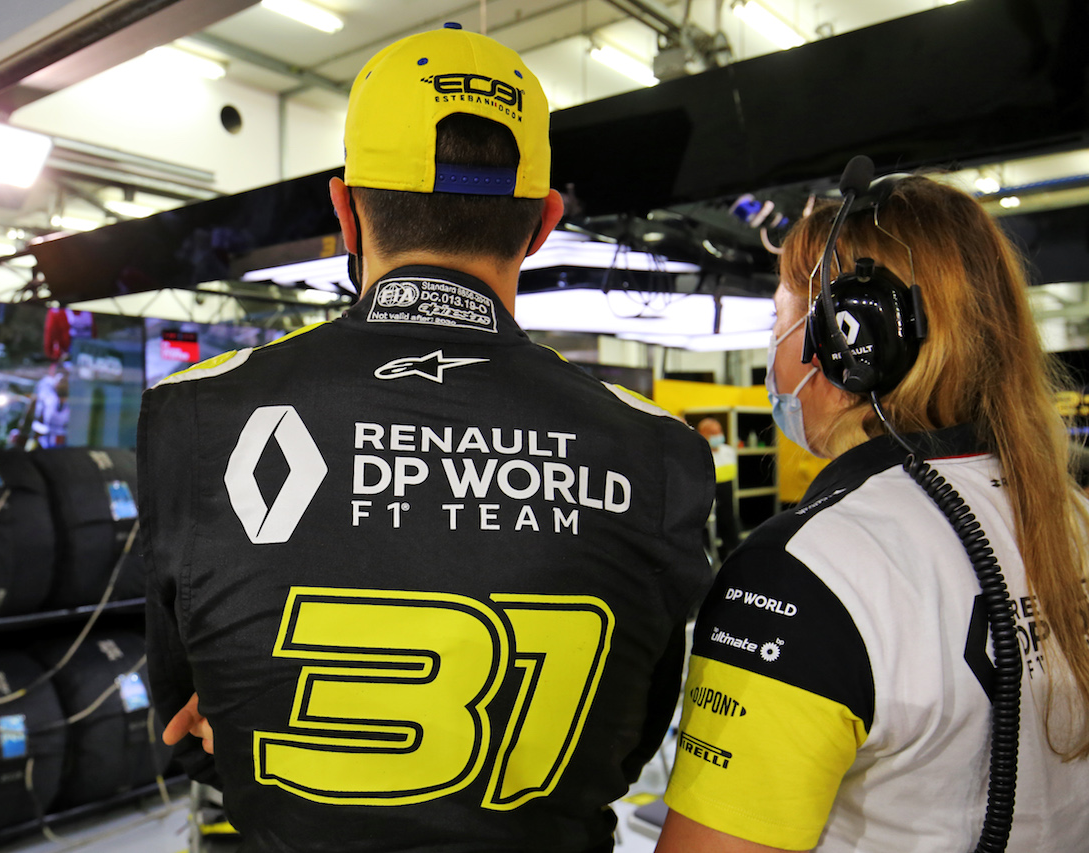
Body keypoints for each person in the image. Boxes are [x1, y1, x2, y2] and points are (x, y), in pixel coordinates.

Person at [139, 24, 716, 853]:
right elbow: (626, 745)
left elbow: (190, 730)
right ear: (545, 221)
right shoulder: (658, 449)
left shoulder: (196, 414)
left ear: (344, 206)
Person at [656, 175, 1089, 851]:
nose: (772, 352)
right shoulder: (1073, 516)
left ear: (848, 339)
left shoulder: (804, 570)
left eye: (779, 320)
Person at [696, 417, 740, 561]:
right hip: (707, 494)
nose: (717, 435)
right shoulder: (699, 453)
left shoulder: (728, 451)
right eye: (713, 432)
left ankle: (730, 553)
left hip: (727, 495)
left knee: (729, 523)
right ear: (702, 433)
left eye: (719, 431)